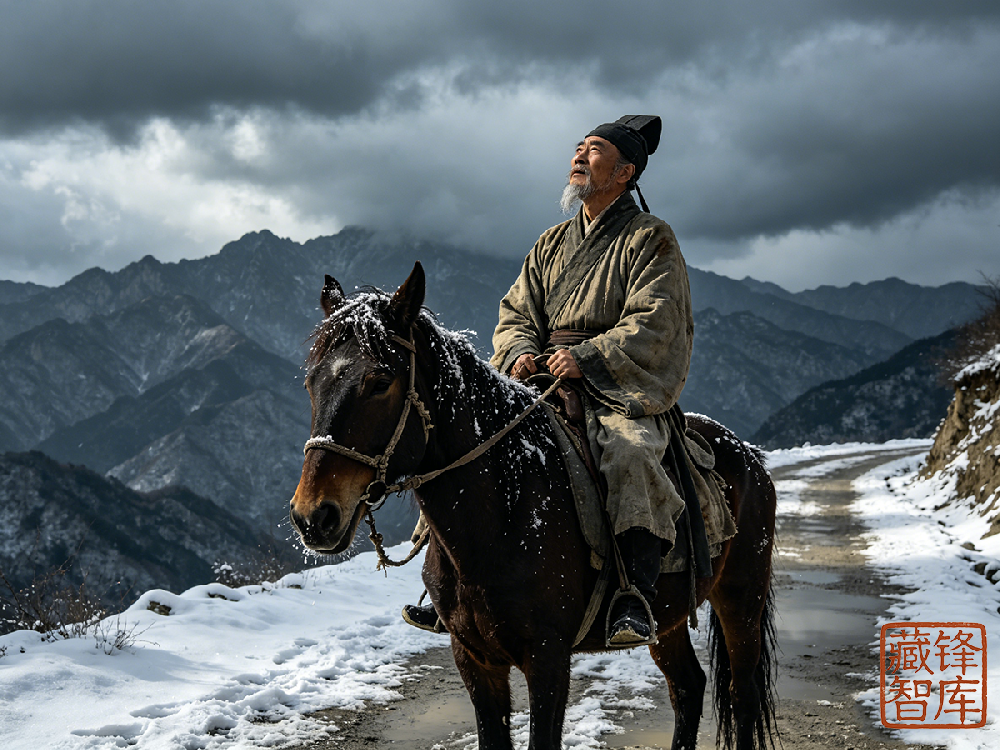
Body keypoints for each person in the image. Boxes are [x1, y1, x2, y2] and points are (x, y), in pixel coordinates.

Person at [403, 115, 694, 646]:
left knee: (629, 452)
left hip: (612, 386)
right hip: (541, 377)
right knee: (464, 449)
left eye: (595, 149)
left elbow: (657, 317)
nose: (579, 156)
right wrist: (518, 352)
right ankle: (447, 584)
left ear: (626, 172)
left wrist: (589, 356)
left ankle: (635, 591)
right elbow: (516, 311)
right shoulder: (551, 243)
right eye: (578, 147)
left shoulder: (650, 238)